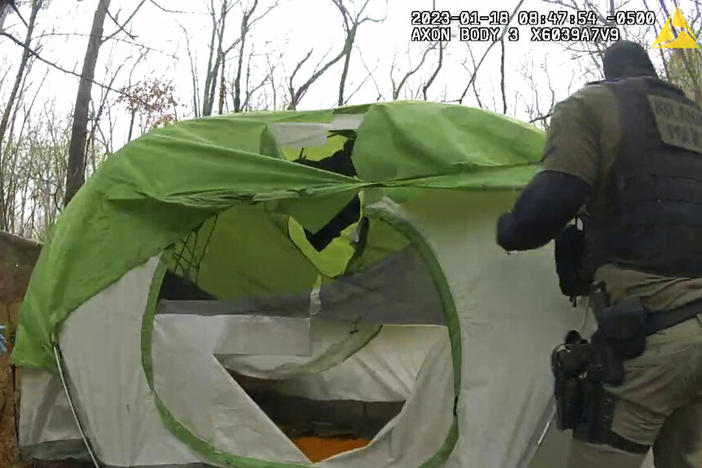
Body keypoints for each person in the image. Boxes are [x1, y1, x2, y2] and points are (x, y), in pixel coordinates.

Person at [496, 40, 702, 468]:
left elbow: (555, 197)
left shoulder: (593, 104)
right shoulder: (696, 121)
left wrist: (510, 229)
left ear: (611, 74)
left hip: (651, 336)